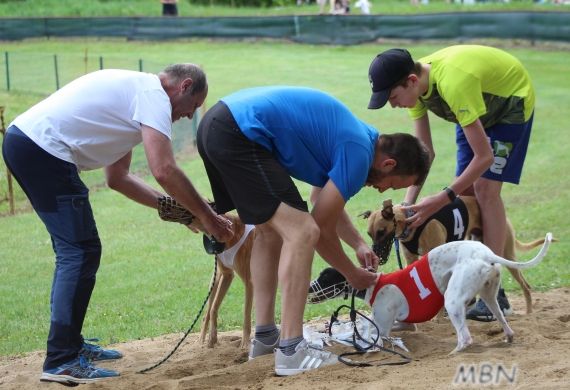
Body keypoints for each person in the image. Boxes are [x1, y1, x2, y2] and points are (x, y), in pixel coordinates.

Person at [2, 63, 233, 385]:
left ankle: (69, 345)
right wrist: (208, 217)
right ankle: (62, 360)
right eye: (193, 106)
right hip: (43, 150)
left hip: (28, 145)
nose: (190, 116)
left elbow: (119, 178)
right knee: (80, 252)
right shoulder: (152, 96)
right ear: (184, 86)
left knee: (76, 252)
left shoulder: (136, 99)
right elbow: (164, 170)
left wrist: (184, 214)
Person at [197, 86, 430, 376]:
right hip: (239, 131)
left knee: (269, 232)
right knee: (302, 232)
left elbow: (322, 200)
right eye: (391, 184)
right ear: (388, 164)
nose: (382, 190)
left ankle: (266, 337)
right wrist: (351, 273)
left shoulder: (358, 140)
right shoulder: (358, 153)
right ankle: (292, 348)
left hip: (218, 124)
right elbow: (318, 228)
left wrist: (358, 243)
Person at [367, 46, 535, 321]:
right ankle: (470, 281)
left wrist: (442, 197)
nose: (393, 104)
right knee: (466, 195)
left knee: (484, 189)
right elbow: (426, 154)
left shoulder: (453, 84)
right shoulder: (417, 90)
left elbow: (485, 157)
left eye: (393, 97)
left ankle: (495, 292)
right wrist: (408, 204)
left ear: (411, 80)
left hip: (509, 105)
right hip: (474, 107)